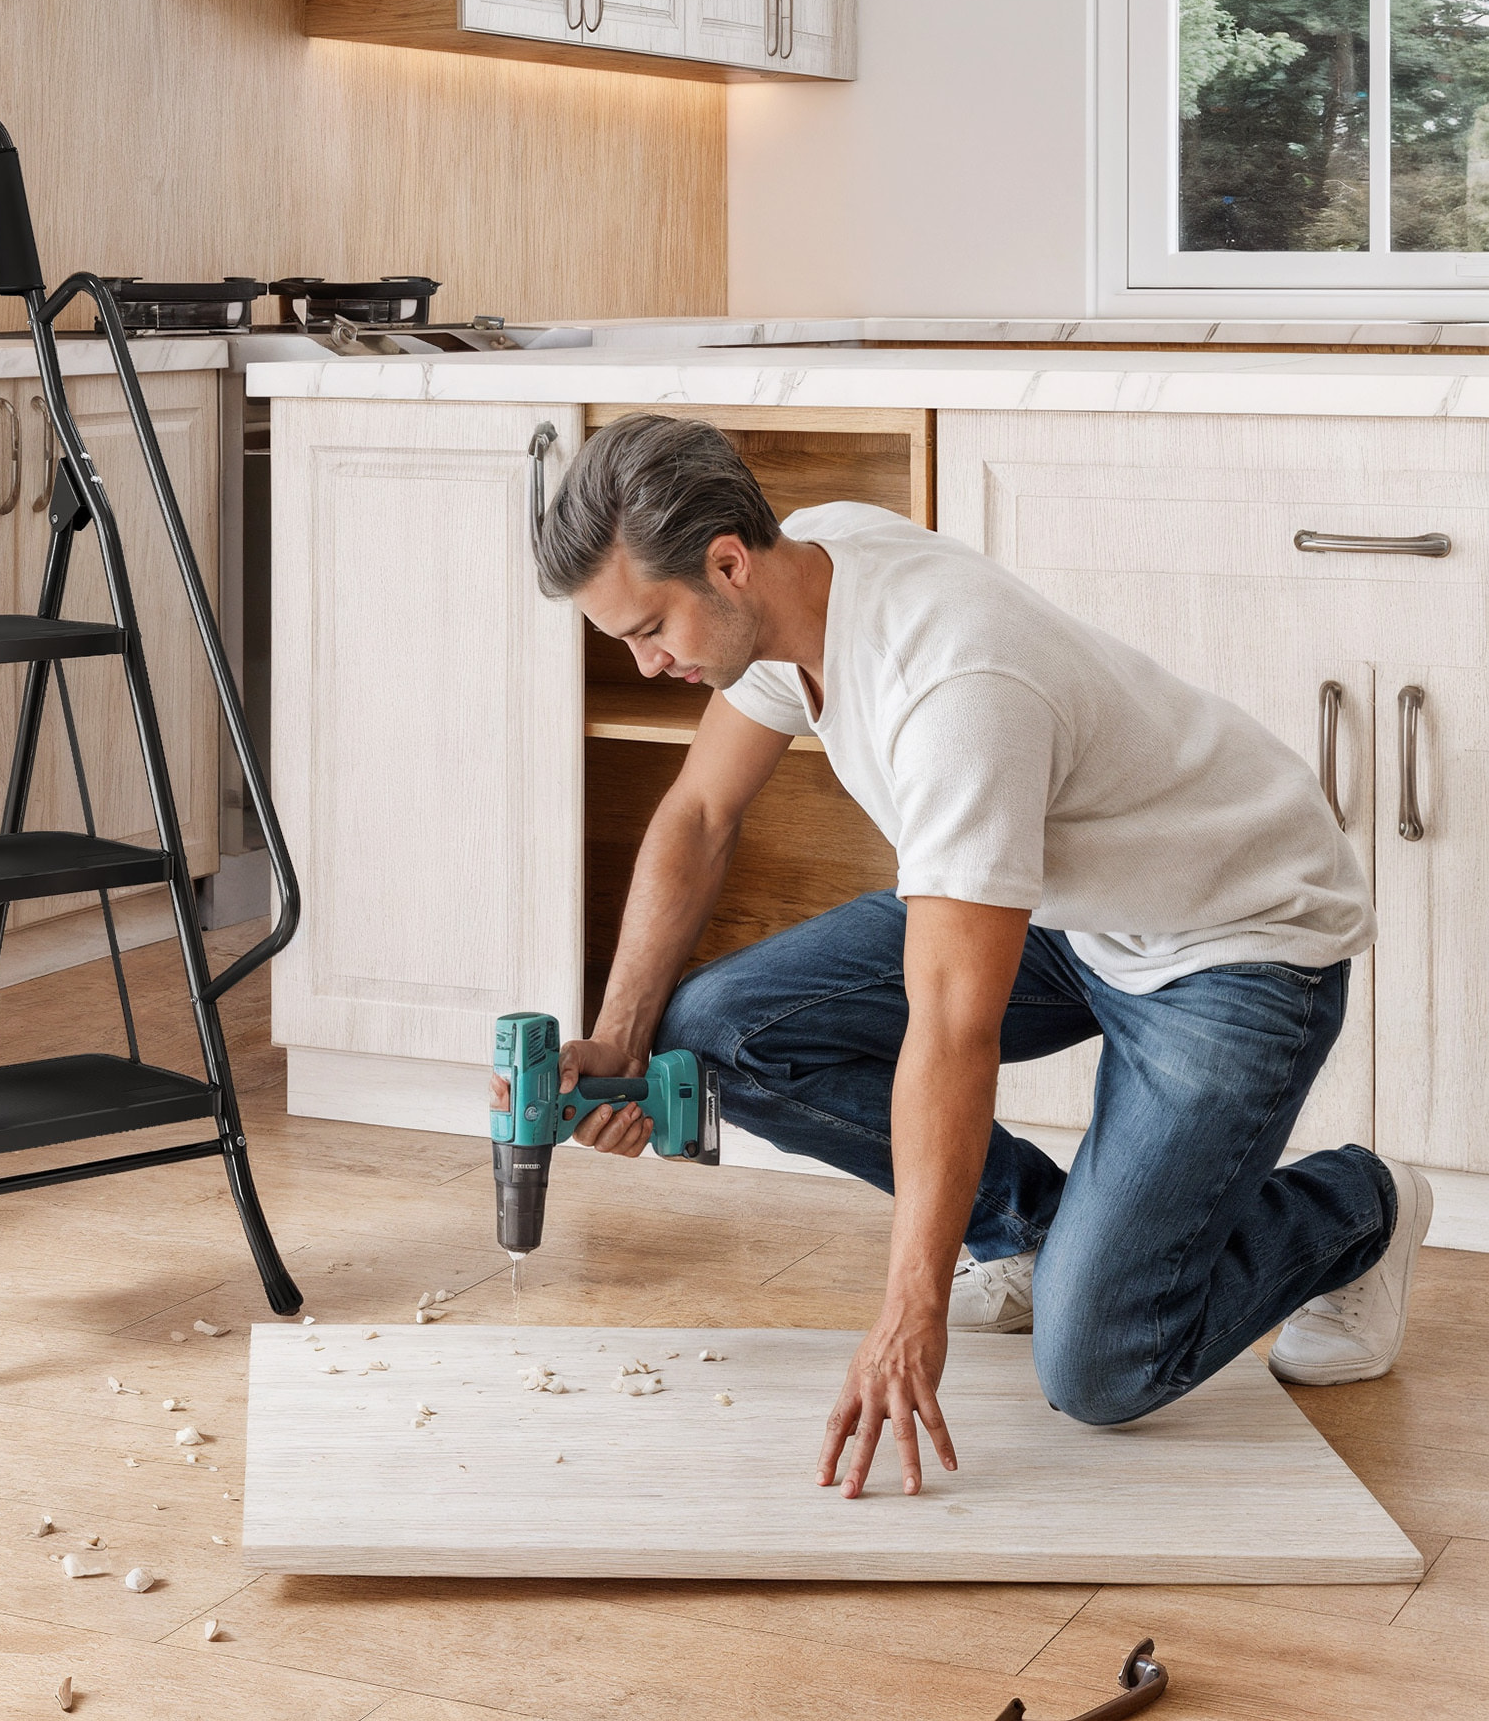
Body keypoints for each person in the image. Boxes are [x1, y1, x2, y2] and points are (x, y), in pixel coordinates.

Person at [526, 411, 1425, 1502]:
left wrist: (911, 1307)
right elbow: (699, 814)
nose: (644, 658)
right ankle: (1033, 1231)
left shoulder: (953, 693)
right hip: (1069, 903)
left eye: (648, 626)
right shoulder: (795, 572)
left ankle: (1359, 1208)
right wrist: (621, 1036)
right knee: (708, 1032)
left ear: (725, 561)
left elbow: (954, 1027)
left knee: (1100, 1365)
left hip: (1232, 937)